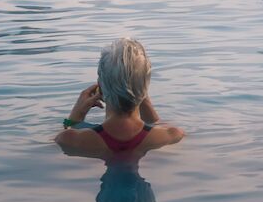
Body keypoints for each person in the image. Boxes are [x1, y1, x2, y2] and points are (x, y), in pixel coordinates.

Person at [56, 38, 185, 158]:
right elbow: (159, 126)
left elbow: (66, 134)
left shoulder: (70, 139)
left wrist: (76, 114)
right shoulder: (171, 135)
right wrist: (142, 96)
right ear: (145, 89)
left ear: (100, 88)